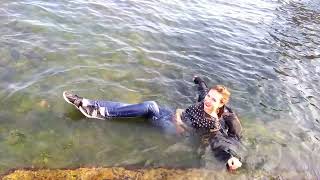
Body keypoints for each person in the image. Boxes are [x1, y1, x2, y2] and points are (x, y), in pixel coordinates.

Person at [63, 76, 243, 171]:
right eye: (209, 96)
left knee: (150, 106)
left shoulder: (213, 123)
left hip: (176, 131)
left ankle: (97, 110)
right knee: (144, 107)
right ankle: (90, 105)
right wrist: (199, 80)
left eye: (213, 99)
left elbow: (215, 143)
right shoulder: (204, 100)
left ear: (221, 104)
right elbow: (201, 93)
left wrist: (230, 158)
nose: (208, 100)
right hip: (175, 117)